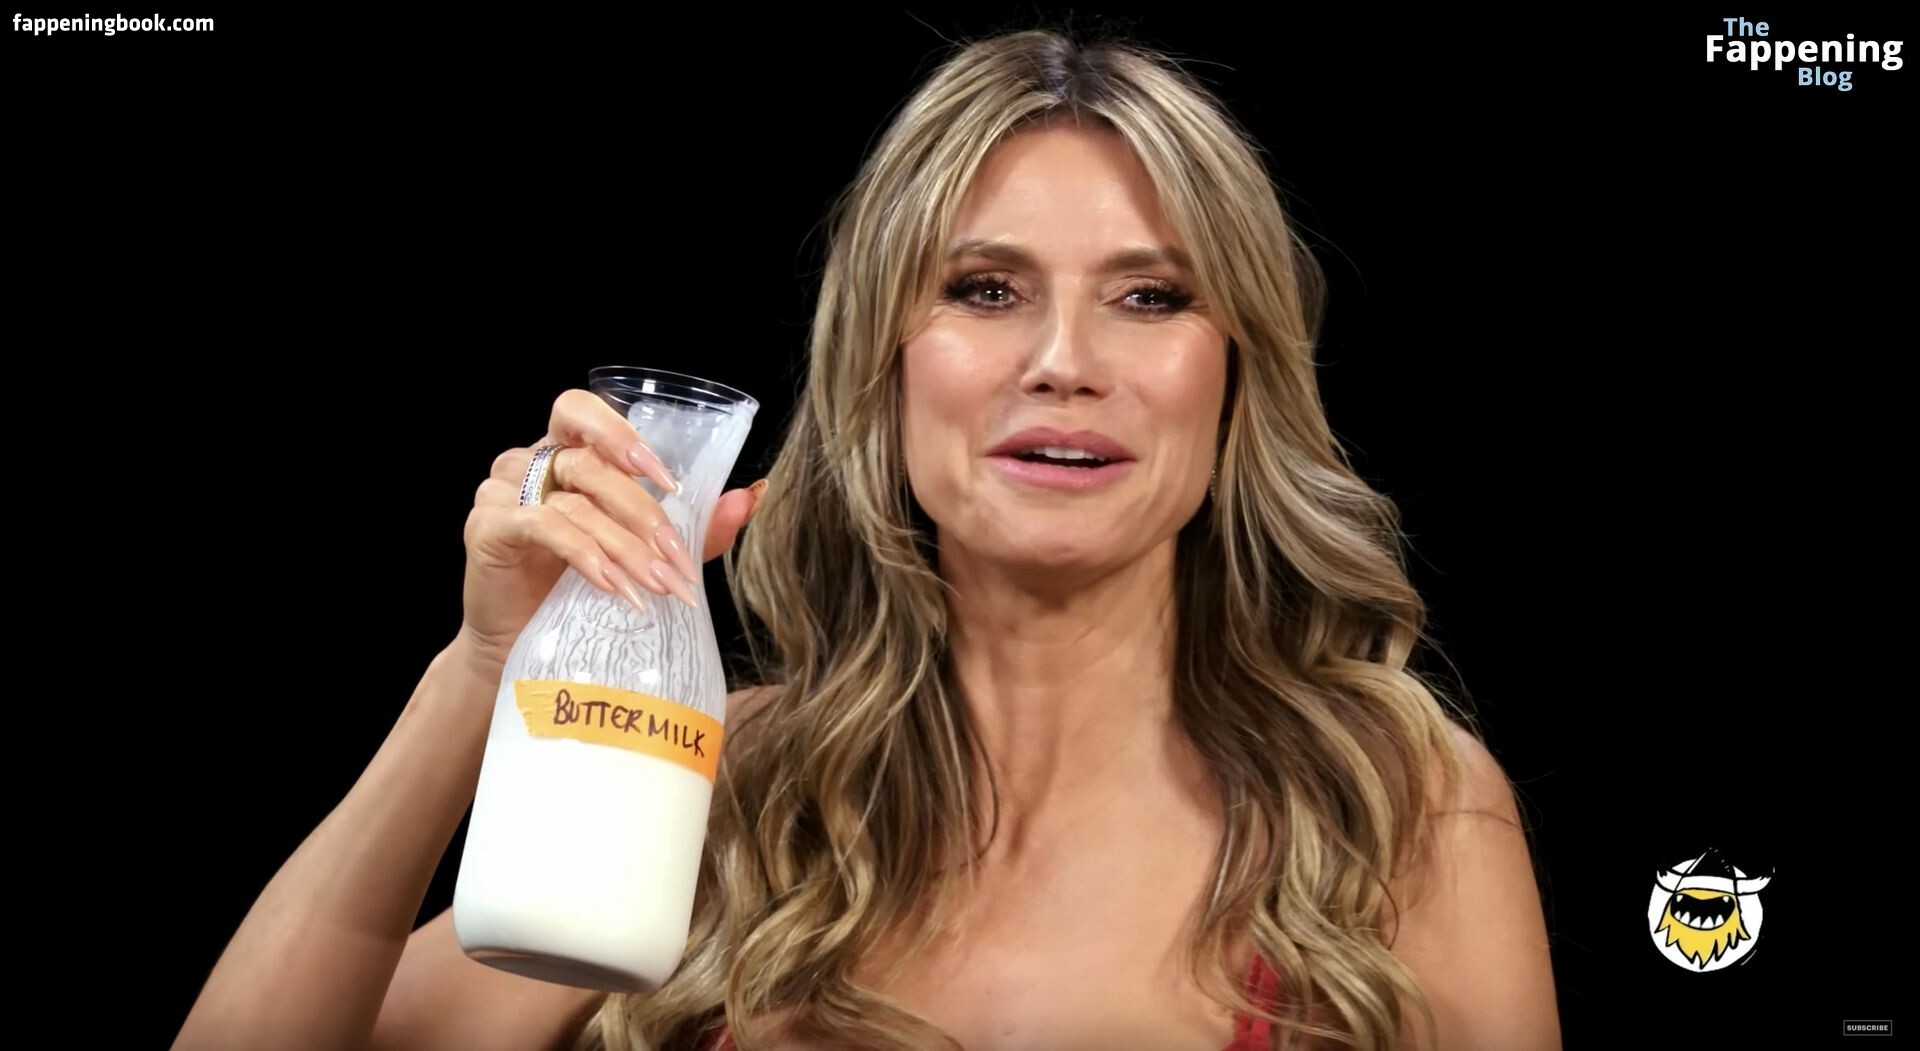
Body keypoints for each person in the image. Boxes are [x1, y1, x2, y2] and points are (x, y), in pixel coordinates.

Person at [175, 25, 1559, 1051]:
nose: (1065, 362)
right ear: (883, 365)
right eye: (986, 288)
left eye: (1149, 297)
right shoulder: (722, 785)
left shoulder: (1391, 805)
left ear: (1235, 373)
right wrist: (483, 672)